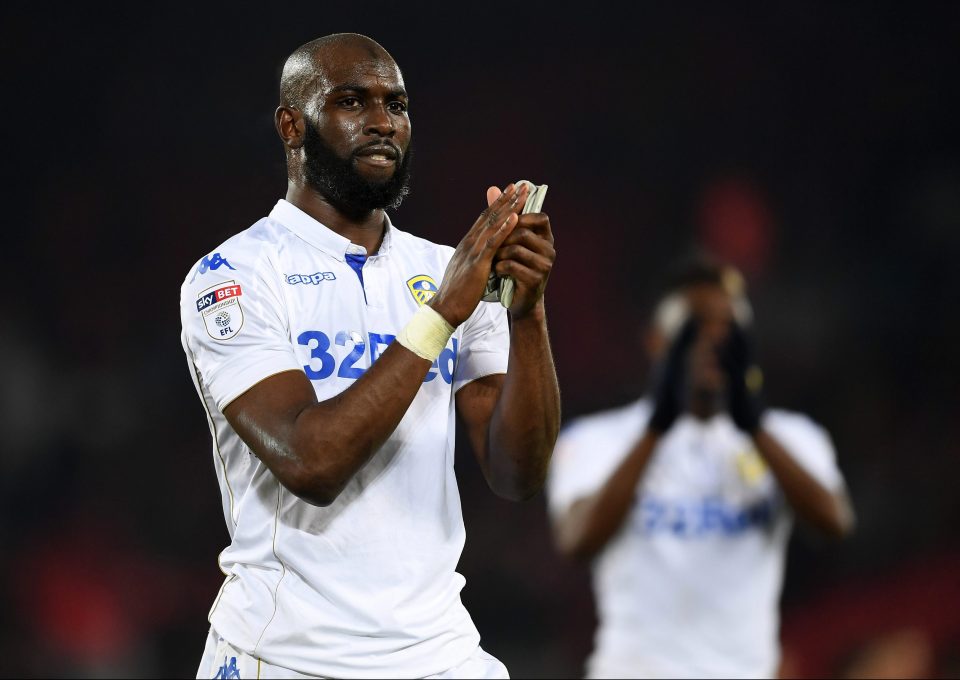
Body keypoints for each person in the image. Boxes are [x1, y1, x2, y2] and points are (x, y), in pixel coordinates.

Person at [179, 33, 559, 679]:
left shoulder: (444, 270)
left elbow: (516, 475)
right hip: (290, 655)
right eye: (352, 101)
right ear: (292, 125)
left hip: (439, 652)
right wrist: (439, 316)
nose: (383, 122)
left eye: (398, 104)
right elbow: (312, 462)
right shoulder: (235, 277)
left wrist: (526, 313)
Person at [546, 256, 854, 678]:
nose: (713, 342)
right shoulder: (597, 439)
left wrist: (754, 424)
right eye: (695, 329)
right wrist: (658, 426)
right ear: (657, 341)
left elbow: (834, 523)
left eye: (727, 330)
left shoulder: (792, 437)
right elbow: (576, 540)